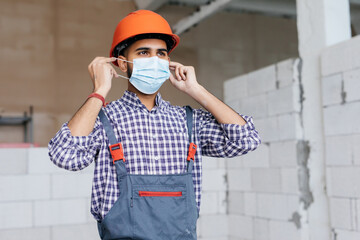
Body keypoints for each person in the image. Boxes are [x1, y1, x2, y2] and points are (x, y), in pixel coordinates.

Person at [48, 9, 260, 240]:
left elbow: (246, 140)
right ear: (121, 63)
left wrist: (196, 90)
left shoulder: (188, 121)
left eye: (161, 54)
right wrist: (99, 91)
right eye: (143, 52)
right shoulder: (103, 119)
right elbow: (64, 155)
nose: (154, 60)